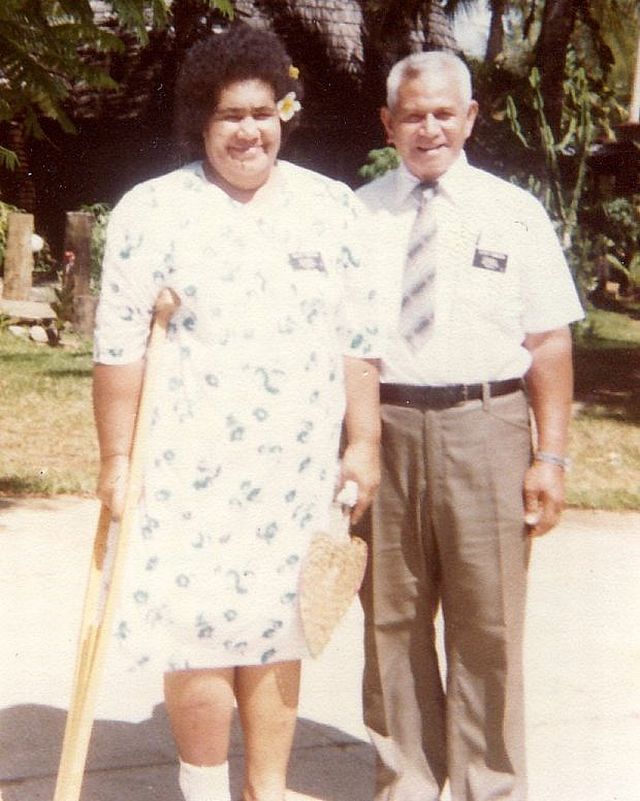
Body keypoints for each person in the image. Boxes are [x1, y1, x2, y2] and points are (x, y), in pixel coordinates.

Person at [92, 24, 381, 801]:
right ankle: (204, 789)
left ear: (283, 112)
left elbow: (357, 341)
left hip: (294, 468)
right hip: (185, 468)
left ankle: (268, 789)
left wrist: (365, 442)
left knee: (278, 631)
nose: (249, 130)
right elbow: (118, 351)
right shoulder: (151, 211)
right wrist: (117, 460)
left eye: (263, 111)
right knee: (196, 635)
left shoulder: (332, 209)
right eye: (229, 116)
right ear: (202, 123)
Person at [354, 51, 584, 801]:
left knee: (489, 625)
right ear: (388, 123)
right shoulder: (355, 216)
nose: (428, 128)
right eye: (412, 114)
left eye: (443, 113)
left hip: (486, 425)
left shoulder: (512, 212)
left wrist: (549, 454)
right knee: (392, 619)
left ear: (470, 118)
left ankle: (492, 784)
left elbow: (548, 341)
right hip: (384, 425)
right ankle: (409, 781)